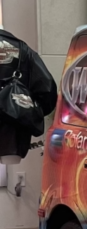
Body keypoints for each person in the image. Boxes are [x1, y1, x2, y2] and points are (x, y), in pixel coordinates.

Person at [0, 29, 57, 163]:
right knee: (10, 160)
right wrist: (29, 112)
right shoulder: (21, 49)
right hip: (12, 137)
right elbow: (47, 90)